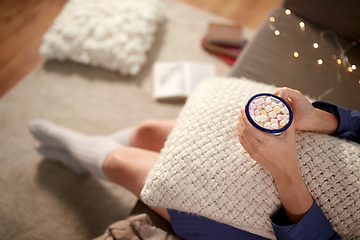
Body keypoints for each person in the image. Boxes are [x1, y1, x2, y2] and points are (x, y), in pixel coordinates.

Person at [29, 87, 360, 240]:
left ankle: (74, 148)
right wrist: (321, 119)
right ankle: (79, 156)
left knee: (124, 164)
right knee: (147, 131)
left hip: (267, 221)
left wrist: (285, 170)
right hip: (310, 144)